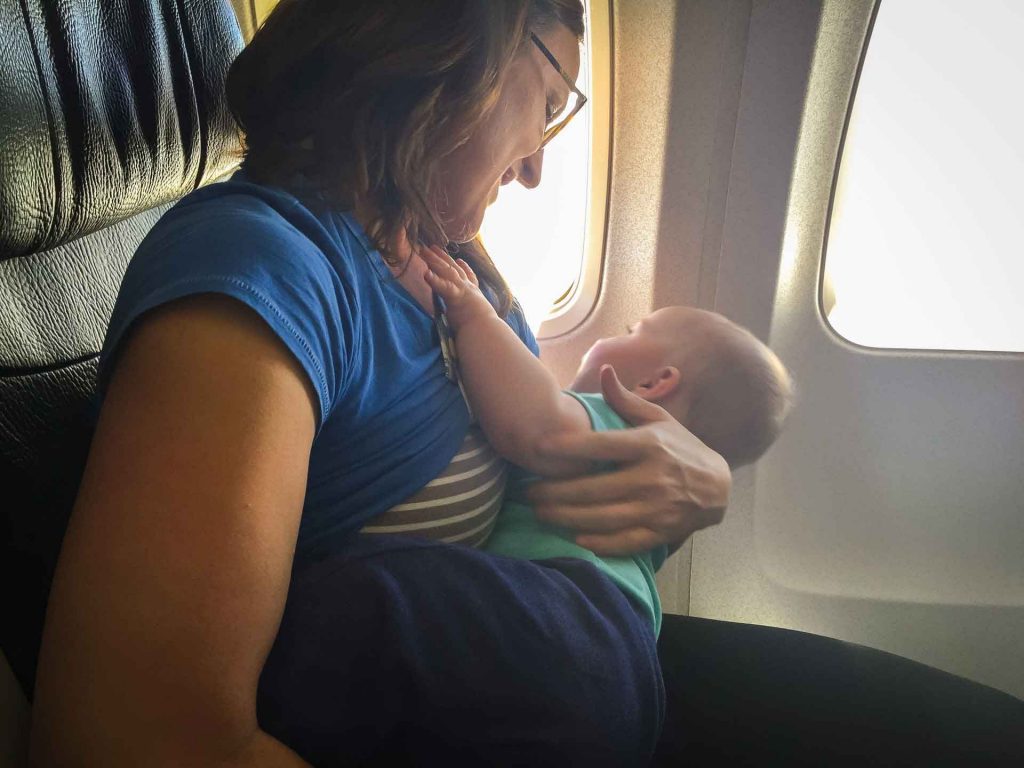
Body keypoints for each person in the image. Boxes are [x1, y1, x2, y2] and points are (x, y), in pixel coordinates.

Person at [29, 2, 732, 766]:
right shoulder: (265, 272)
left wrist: (704, 476)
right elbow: (137, 740)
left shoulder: (446, 251)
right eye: (550, 108)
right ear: (456, 45)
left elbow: (543, 437)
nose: (534, 167)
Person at [418, 246, 791, 637]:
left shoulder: (618, 421)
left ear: (653, 384)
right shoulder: (655, 474)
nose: (621, 332)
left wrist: (474, 313)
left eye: (633, 332)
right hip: (621, 627)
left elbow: (536, 430)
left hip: (559, 604)